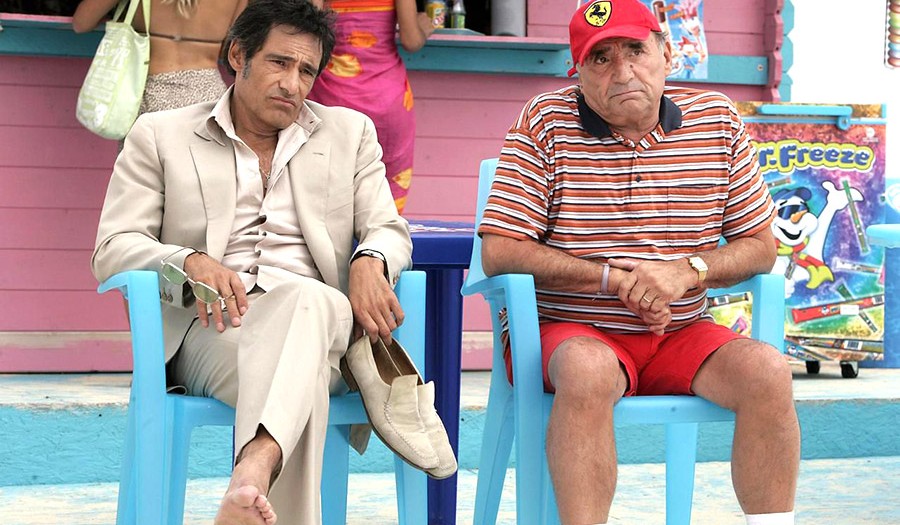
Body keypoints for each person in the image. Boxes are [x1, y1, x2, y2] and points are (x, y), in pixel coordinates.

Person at [91, 1, 414, 523]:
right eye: (279, 62)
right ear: (239, 55)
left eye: (306, 70)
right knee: (303, 378)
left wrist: (369, 259)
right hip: (214, 332)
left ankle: (251, 475)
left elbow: (388, 228)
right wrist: (187, 260)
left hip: (324, 322)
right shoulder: (161, 134)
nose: (292, 83)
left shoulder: (350, 134)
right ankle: (256, 469)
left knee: (308, 299)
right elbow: (113, 248)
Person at [477, 1, 800, 524]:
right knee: (587, 369)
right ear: (577, 73)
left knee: (767, 370)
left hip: (681, 332)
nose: (623, 71)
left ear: (667, 55)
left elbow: (761, 246)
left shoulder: (717, 120)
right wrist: (611, 280)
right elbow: (500, 249)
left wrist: (686, 271)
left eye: (635, 50)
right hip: (570, 332)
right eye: (601, 58)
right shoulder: (544, 122)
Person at [306, 0, 434, 213]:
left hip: (331, 97)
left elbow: (310, 27)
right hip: (386, 99)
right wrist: (423, 28)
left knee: (327, 189)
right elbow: (411, 41)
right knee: (387, 191)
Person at [72, 0, 247, 117]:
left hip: (152, 96)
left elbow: (81, 23)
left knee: (142, 163)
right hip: (208, 95)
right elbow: (230, 48)